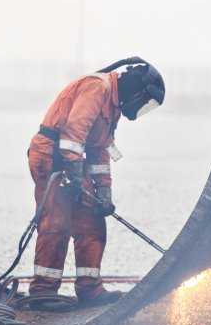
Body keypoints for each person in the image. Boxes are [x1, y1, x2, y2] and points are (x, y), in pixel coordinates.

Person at [27, 57, 165, 309]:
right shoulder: (97, 87)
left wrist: (104, 191)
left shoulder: (113, 106)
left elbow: (101, 149)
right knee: (56, 223)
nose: (142, 106)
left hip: (71, 160)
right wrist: (75, 172)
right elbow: (74, 133)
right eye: (145, 101)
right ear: (137, 89)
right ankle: (42, 292)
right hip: (52, 155)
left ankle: (91, 290)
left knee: (92, 222)